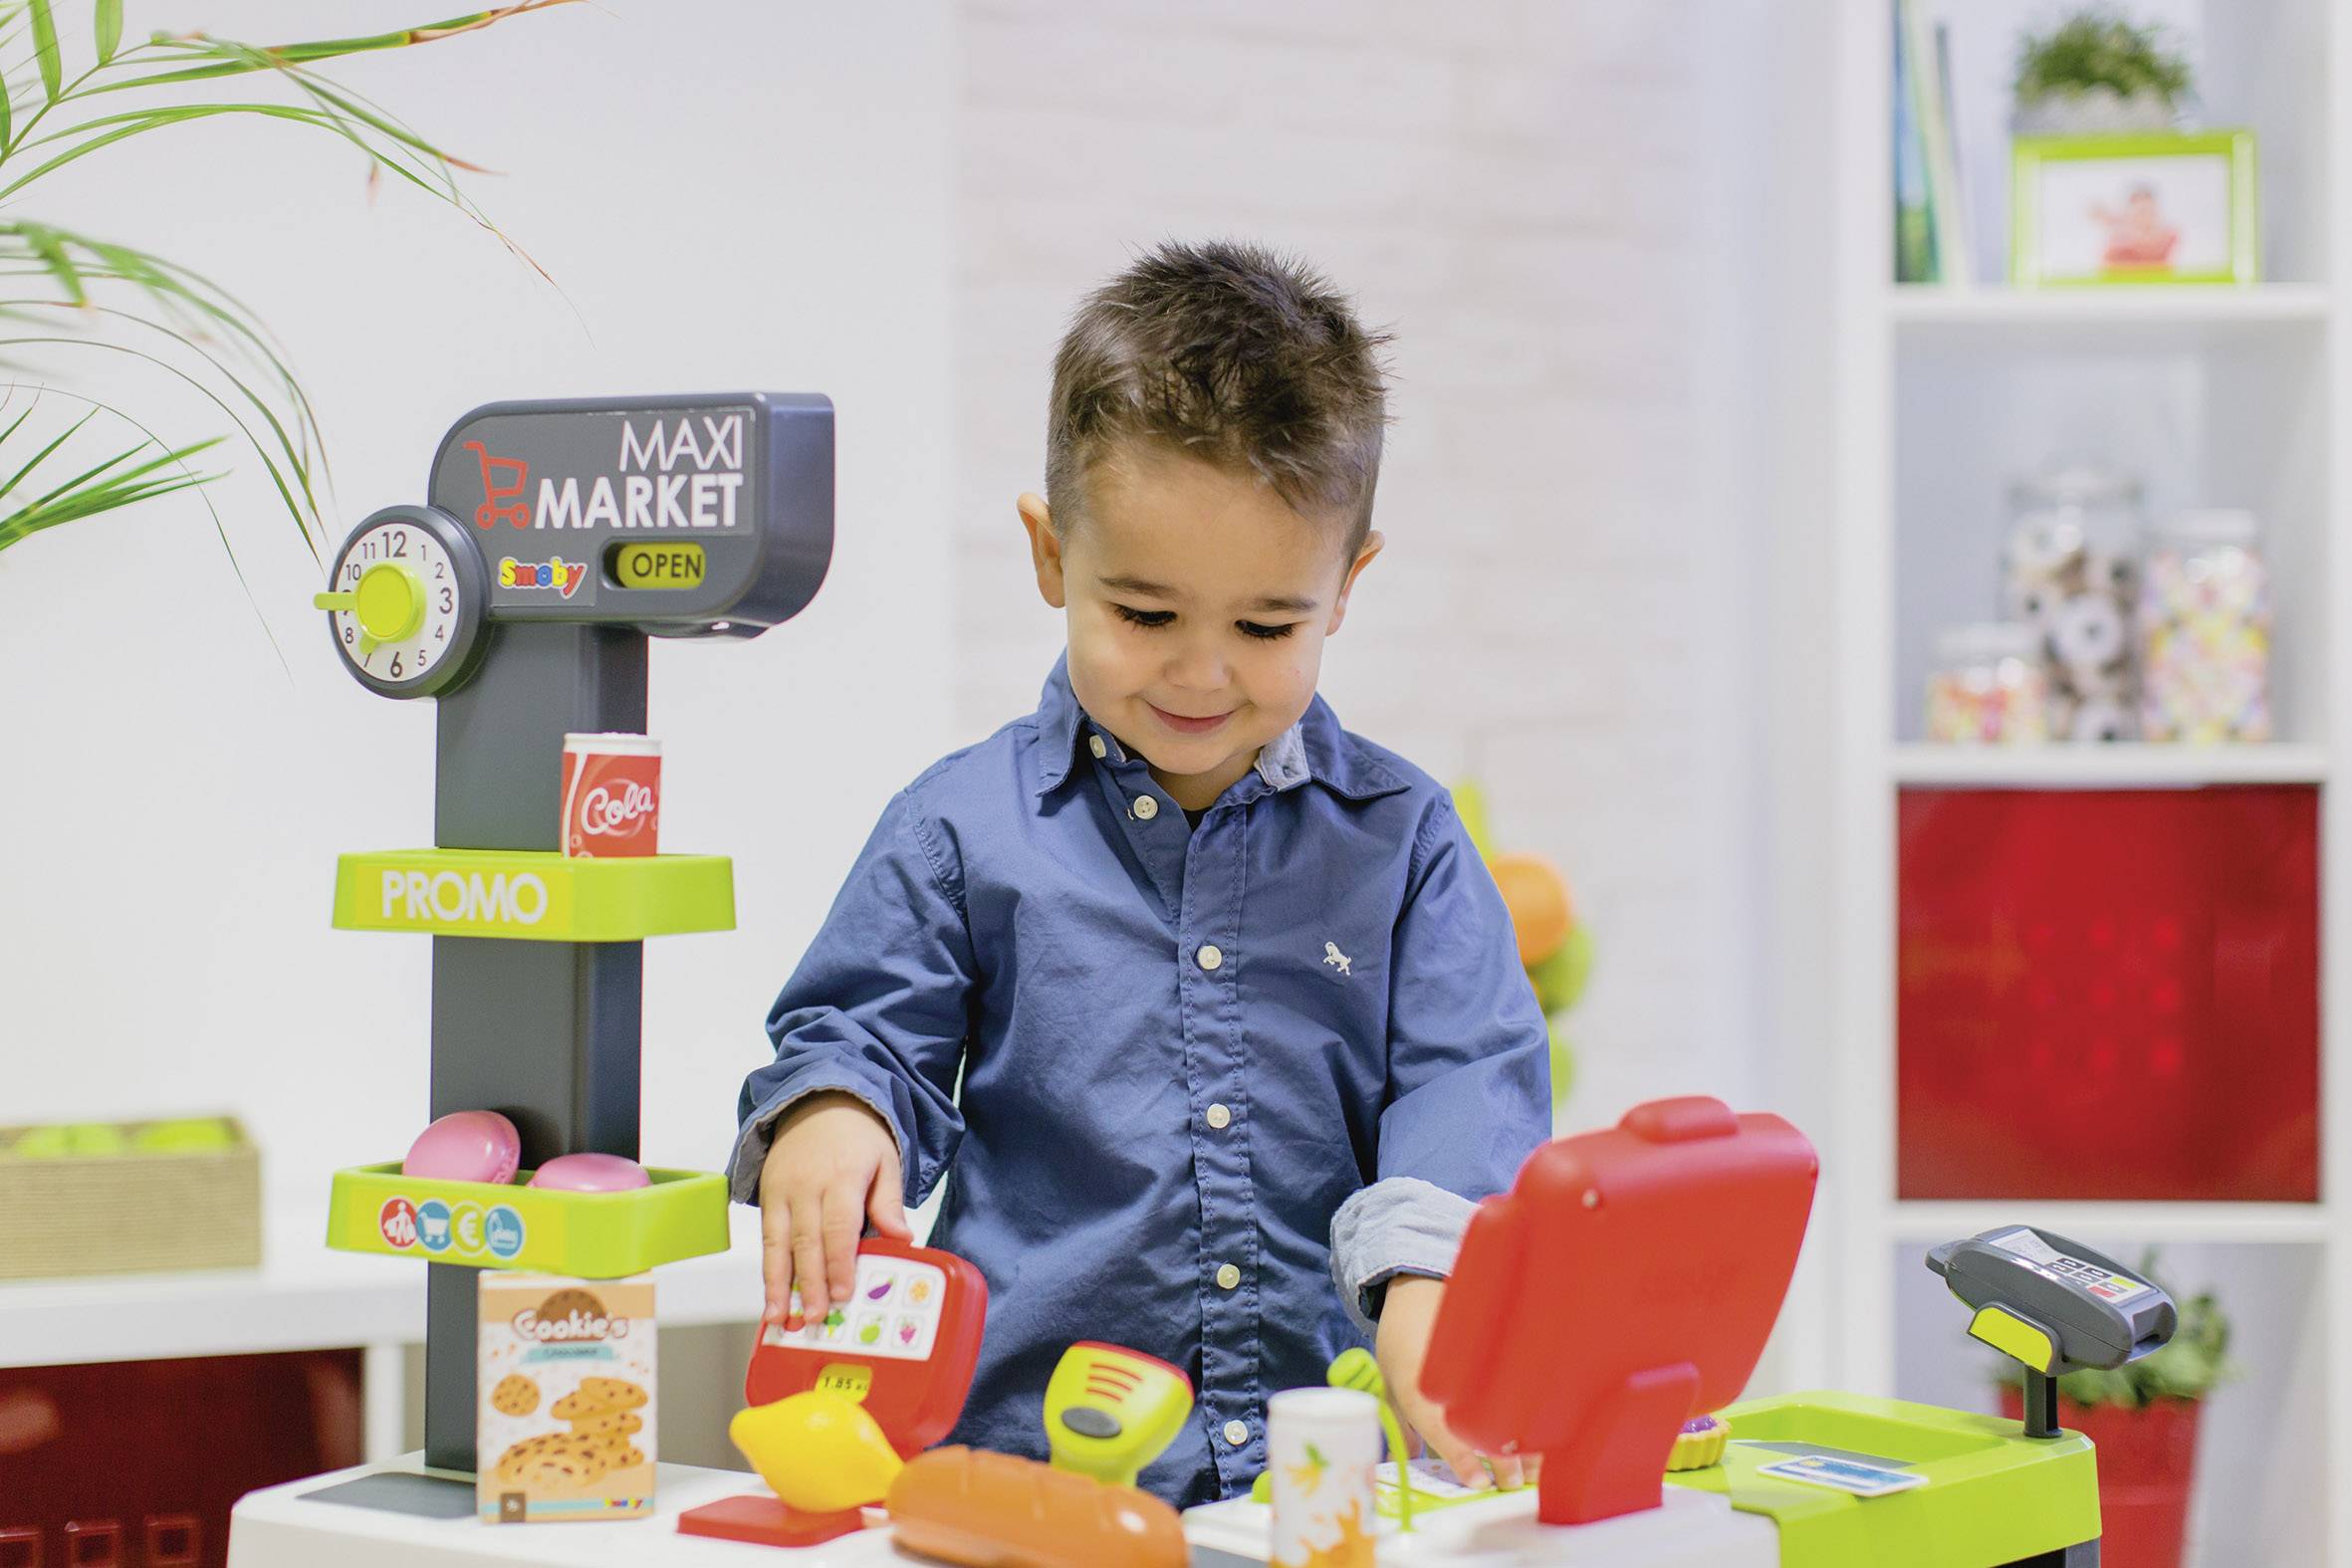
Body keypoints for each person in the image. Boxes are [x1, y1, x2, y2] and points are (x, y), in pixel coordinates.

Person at [731, 240, 1549, 1507]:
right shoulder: (959, 830)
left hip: (1321, 1484)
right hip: (1025, 1471)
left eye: (1267, 626)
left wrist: (1429, 1284)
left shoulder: (1404, 841)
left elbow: (1466, 1084)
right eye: (1146, 614)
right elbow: (860, 1034)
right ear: (1052, 555)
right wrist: (836, 1115)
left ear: (1347, 588)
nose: (1201, 674)